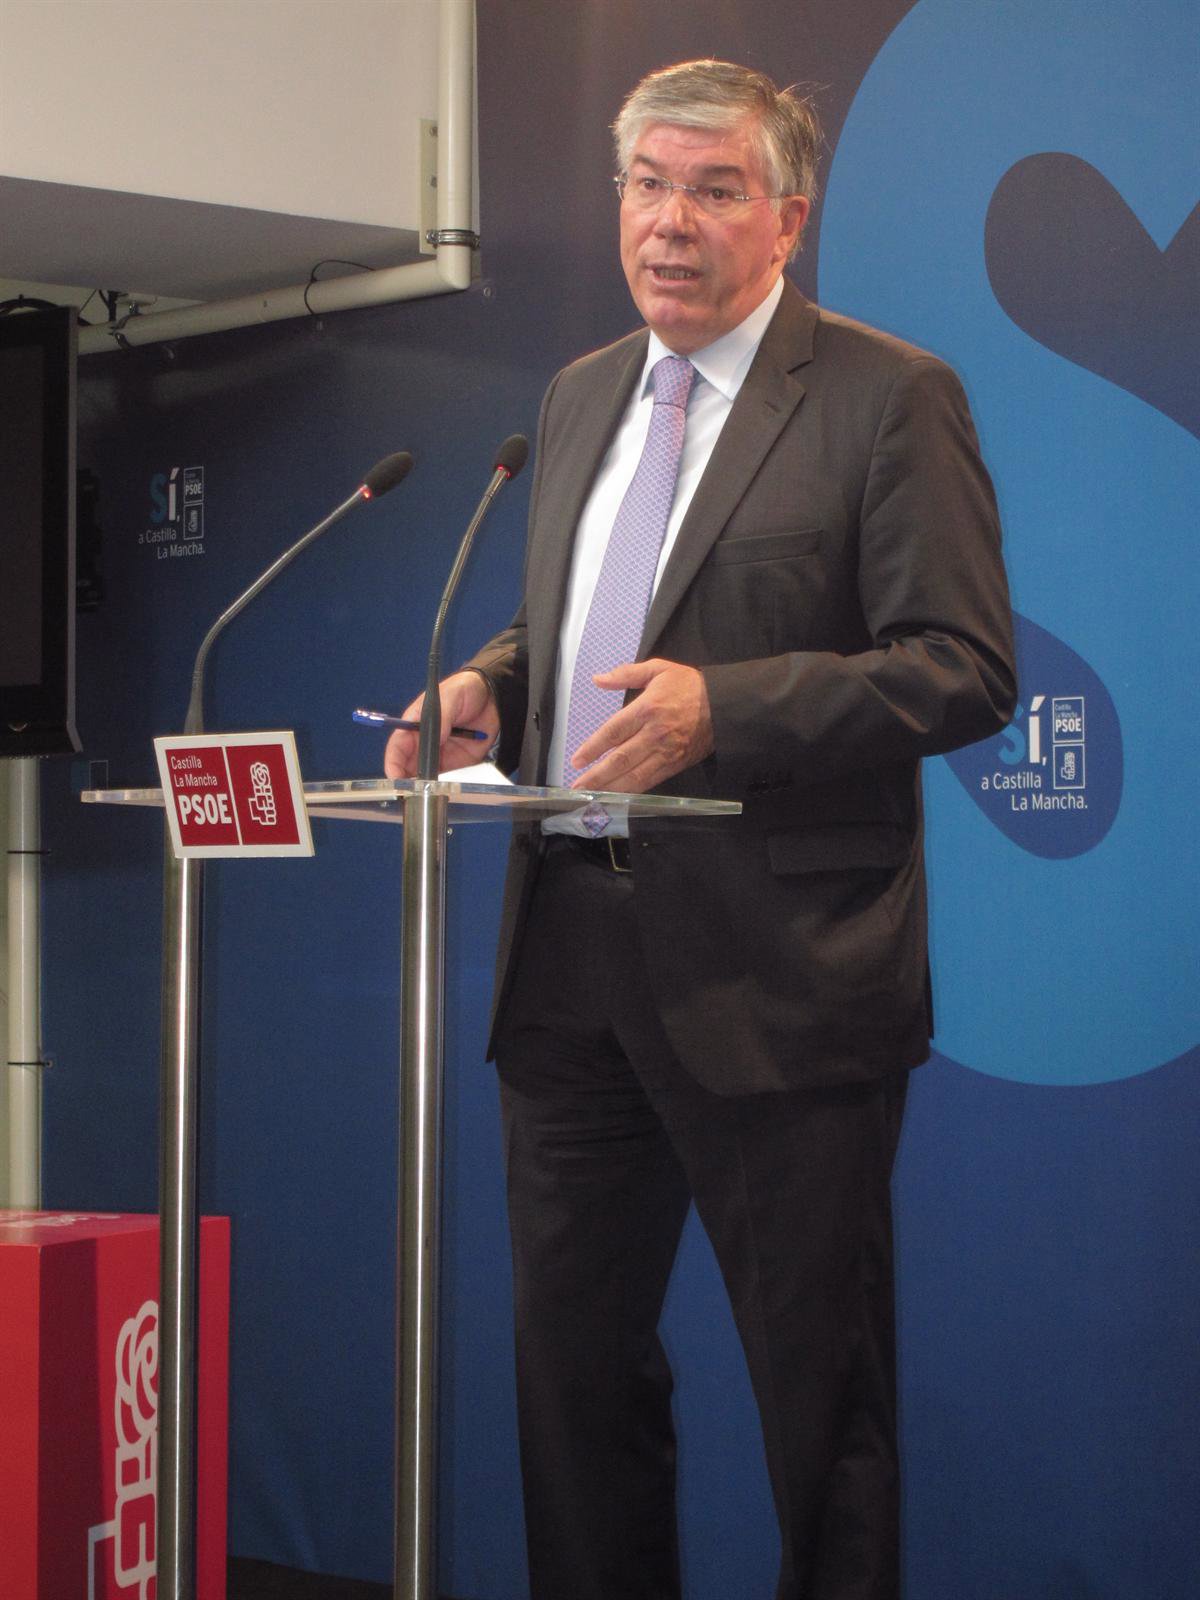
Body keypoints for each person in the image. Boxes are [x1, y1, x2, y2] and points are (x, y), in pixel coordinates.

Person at [386, 58, 1016, 1600]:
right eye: (647, 185)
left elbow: (962, 666)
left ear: (788, 217)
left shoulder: (886, 395)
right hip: (567, 955)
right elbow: (576, 625)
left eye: (714, 189)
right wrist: (489, 688)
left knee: (821, 1405)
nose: (669, 221)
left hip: (780, 973)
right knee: (573, 1381)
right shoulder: (579, 394)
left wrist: (724, 710)